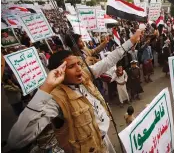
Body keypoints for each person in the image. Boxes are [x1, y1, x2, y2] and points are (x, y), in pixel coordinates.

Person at [7, 30, 142, 152]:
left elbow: (108, 60)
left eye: (79, 63)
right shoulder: (56, 99)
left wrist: (131, 41)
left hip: (103, 141)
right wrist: (45, 89)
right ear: (58, 72)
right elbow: (16, 140)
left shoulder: (84, 75)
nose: (79, 69)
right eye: (72, 66)